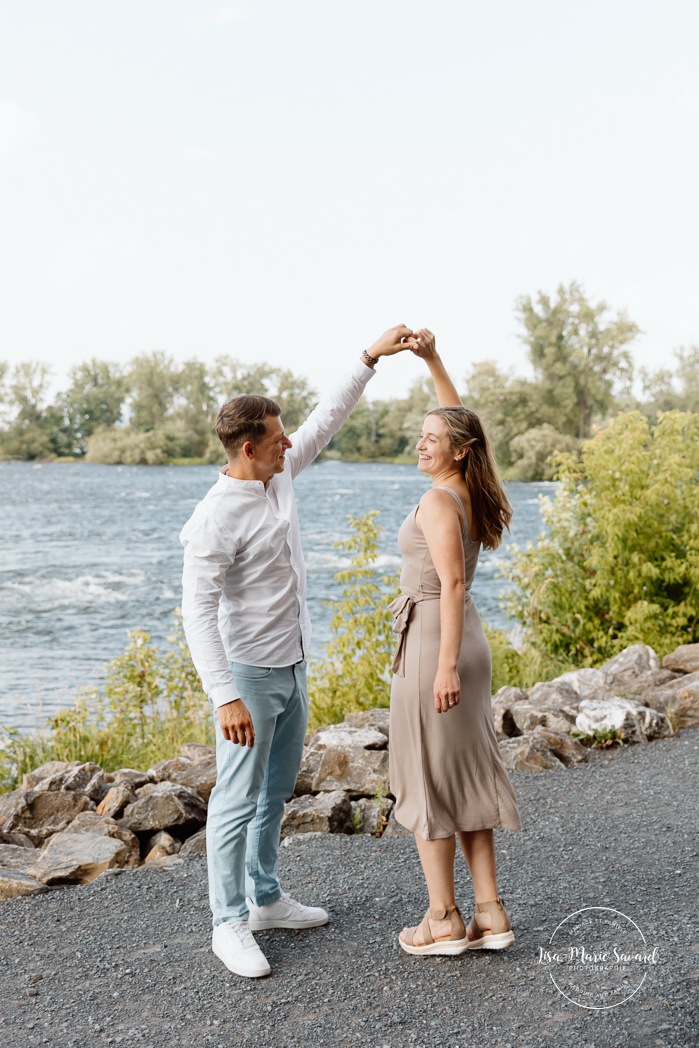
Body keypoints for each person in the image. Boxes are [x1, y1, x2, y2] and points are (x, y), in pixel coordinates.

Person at [180, 325, 415, 979]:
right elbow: (195, 612)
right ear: (249, 447)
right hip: (247, 677)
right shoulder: (212, 520)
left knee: (273, 791)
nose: (291, 443)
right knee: (234, 797)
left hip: (292, 664)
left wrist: (368, 359)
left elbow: (325, 420)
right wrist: (223, 693)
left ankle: (264, 898)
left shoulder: (277, 474)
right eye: (278, 438)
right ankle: (227, 922)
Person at [388, 329, 521, 957]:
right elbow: (461, 420)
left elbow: (455, 582)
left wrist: (443, 669)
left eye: (431, 438)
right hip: (464, 640)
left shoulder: (442, 500)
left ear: (458, 453)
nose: (422, 441)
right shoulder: (468, 484)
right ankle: (489, 912)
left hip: (437, 642)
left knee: (429, 778)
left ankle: (441, 919)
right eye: (422, 433)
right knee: (465, 775)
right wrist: (433, 361)